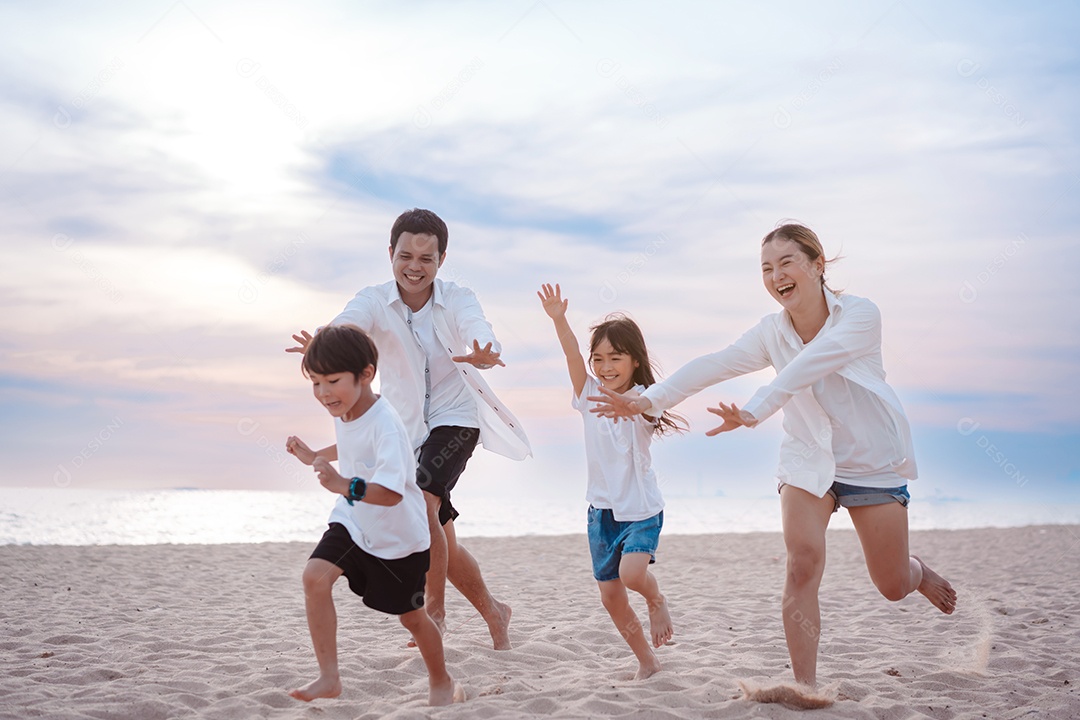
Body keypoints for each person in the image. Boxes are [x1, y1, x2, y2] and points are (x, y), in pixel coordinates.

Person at [589, 223, 957, 688]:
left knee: (890, 584)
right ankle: (805, 687)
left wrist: (756, 410)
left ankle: (915, 572)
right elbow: (715, 363)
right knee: (801, 562)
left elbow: (810, 364)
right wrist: (648, 400)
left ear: (817, 265)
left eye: (786, 262)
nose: (776, 275)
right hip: (807, 459)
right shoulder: (771, 332)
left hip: (871, 461)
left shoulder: (860, 316)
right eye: (766, 268)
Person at [288, 208, 529, 650]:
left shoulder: (457, 297)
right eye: (405, 256)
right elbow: (350, 322)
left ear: (441, 259)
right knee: (438, 535)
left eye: (426, 258)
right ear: (390, 254)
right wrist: (327, 339)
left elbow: (480, 330)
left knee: (422, 501)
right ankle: (495, 612)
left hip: (456, 418)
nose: (414, 267)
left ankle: (433, 612)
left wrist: (486, 352)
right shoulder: (374, 300)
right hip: (405, 427)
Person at [284, 324, 464, 706]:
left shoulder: (388, 426)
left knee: (412, 617)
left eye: (331, 381)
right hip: (353, 520)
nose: (323, 393)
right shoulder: (346, 407)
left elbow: (391, 494)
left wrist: (342, 484)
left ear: (365, 374)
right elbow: (352, 442)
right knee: (314, 578)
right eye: (315, 383)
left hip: (397, 537)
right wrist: (315, 454)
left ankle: (442, 681)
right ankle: (329, 677)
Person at [538, 283, 685, 680]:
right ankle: (646, 660)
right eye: (599, 359)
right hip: (601, 511)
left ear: (635, 361)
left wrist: (633, 406)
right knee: (611, 597)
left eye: (615, 358)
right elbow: (571, 354)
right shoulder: (588, 395)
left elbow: (654, 405)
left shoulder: (644, 400)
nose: (605, 367)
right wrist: (559, 319)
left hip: (640, 509)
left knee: (632, 576)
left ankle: (656, 598)